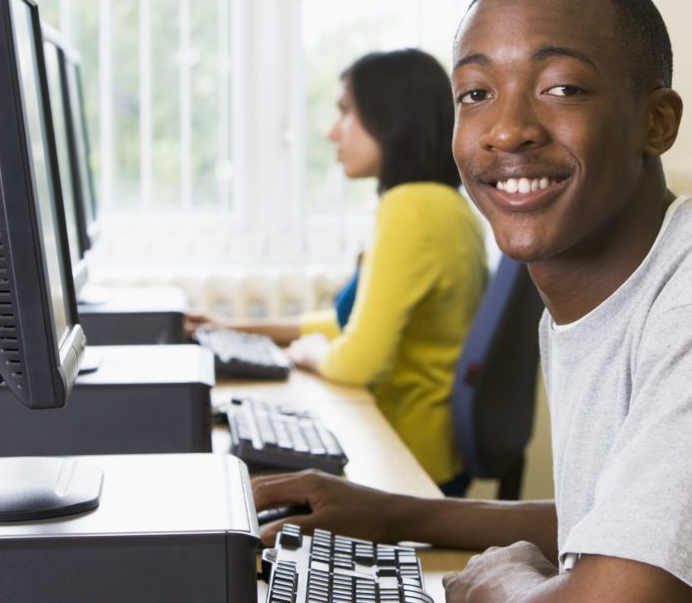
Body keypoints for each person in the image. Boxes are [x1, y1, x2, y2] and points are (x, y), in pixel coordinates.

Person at [250, 0, 692, 603]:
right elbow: (620, 522)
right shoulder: (602, 286)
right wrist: (396, 514)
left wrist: (507, 584)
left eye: (562, 87)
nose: (507, 130)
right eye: (476, 93)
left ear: (658, 122)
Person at [190, 48, 488, 493]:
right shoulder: (446, 205)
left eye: (346, 112)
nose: (332, 132)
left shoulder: (410, 209)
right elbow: (348, 324)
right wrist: (238, 328)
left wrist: (308, 354)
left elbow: (358, 362)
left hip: (404, 461)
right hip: (419, 447)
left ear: (393, 118)